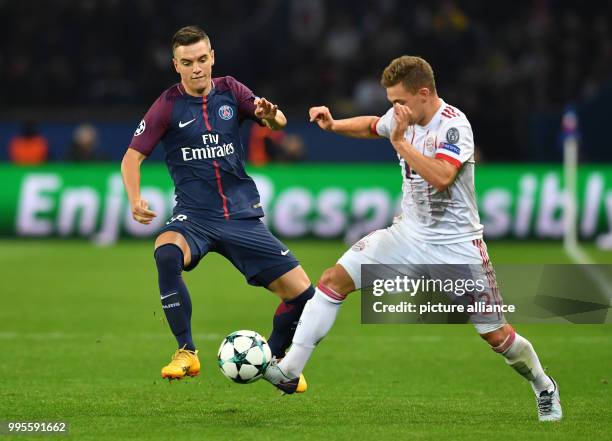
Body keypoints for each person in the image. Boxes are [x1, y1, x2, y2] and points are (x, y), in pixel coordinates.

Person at [264, 55, 562, 422]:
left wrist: (402, 142)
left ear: (424, 93)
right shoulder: (404, 116)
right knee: (332, 280)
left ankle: (543, 384)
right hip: (406, 235)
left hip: (456, 247)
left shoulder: (454, 126)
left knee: (498, 337)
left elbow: (441, 177)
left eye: (399, 101)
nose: (394, 109)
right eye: (391, 102)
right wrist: (334, 124)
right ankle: (290, 370)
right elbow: (374, 126)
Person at [120, 26, 312, 387]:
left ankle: (272, 362)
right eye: (188, 62)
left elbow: (277, 121)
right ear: (175, 65)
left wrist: (270, 116)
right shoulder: (167, 105)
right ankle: (186, 352)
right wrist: (134, 199)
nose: (197, 68)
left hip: (241, 216)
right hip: (195, 218)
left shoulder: (230, 90)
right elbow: (131, 159)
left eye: (203, 59)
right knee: (165, 253)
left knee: (305, 295)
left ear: (213, 57)